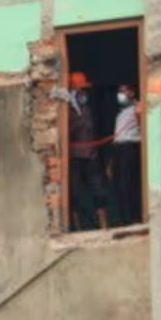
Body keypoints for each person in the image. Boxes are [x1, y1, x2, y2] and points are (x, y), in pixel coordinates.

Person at [63, 73, 105, 231]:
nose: (82, 94)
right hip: (74, 157)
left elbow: (100, 127)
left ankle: (103, 226)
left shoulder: (92, 105)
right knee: (75, 193)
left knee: (98, 190)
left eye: (83, 91)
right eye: (79, 90)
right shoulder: (66, 107)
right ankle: (79, 227)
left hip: (92, 154)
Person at [109, 84, 142, 226]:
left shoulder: (138, 107)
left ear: (132, 93)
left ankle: (132, 218)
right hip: (118, 149)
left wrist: (140, 107)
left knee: (128, 184)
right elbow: (117, 137)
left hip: (130, 147)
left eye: (124, 91)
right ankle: (123, 219)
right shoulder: (121, 113)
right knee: (118, 185)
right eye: (119, 91)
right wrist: (110, 161)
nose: (121, 94)